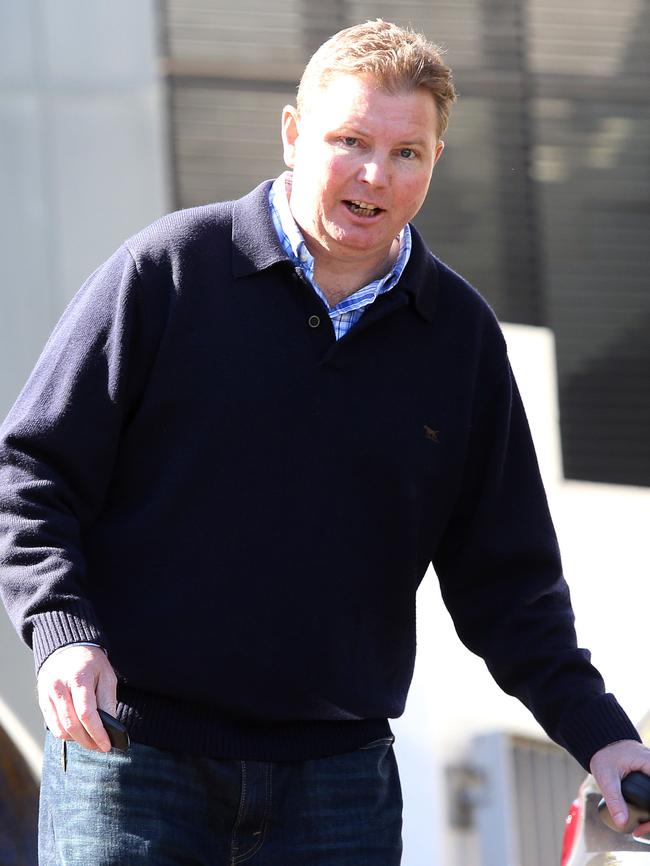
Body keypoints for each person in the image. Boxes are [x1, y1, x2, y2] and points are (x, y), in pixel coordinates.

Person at [0, 18, 649, 865]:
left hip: (337, 788)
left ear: (437, 159)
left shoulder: (458, 340)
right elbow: (32, 471)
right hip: (130, 760)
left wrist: (603, 738)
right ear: (293, 133)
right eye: (349, 141)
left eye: (407, 152)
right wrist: (62, 631)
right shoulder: (167, 273)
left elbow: (510, 586)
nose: (376, 176)